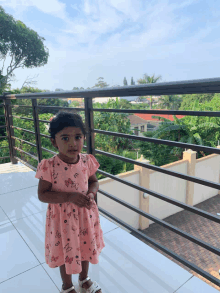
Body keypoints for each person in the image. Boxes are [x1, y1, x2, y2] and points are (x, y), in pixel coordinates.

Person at [35, 110, 105, 293]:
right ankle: (67, 285)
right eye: (65, 138)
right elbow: (42, 195)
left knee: (85, 245)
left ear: (83, 138)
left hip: (84, 215)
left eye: (78, 137)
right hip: (62, 220)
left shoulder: (86, 161)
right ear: (54, 141)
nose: (73, 143)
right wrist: (69, 197)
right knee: (65, 250)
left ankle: (84, 279)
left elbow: (94, 182)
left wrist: (91, 193)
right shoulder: (49, 166)